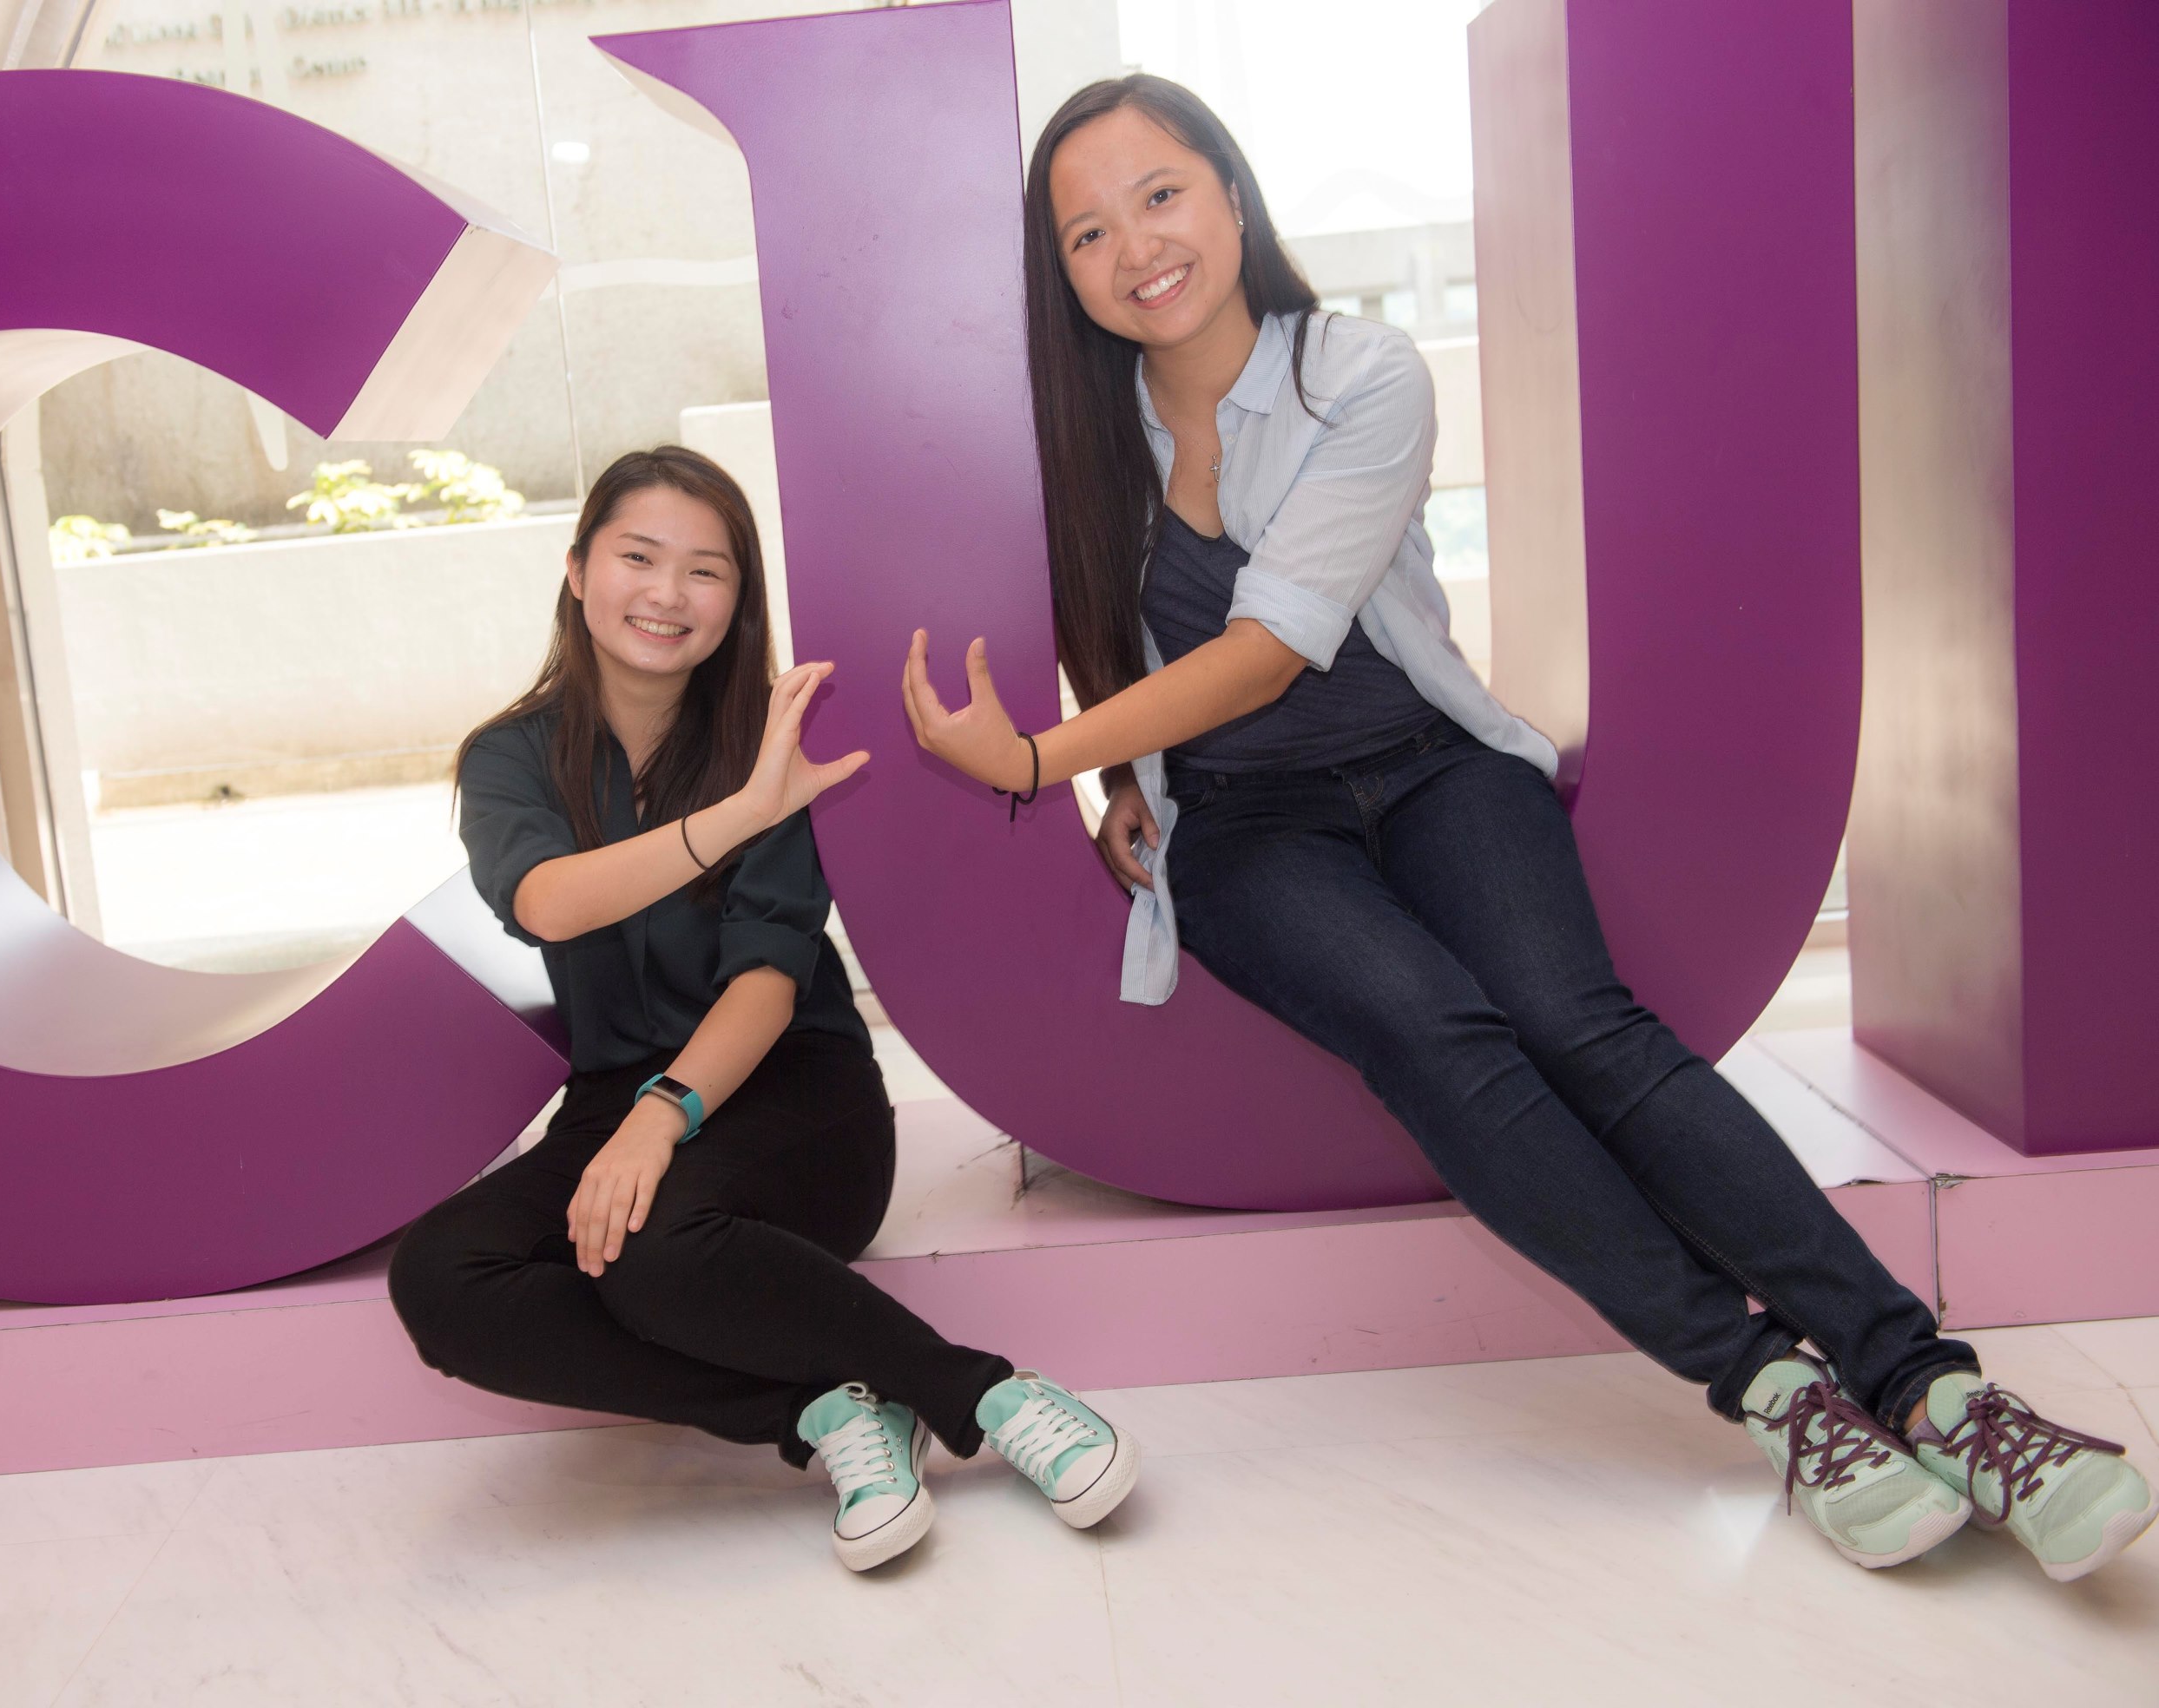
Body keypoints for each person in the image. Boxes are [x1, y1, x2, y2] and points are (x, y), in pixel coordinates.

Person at [898, 76, 2152, 1580]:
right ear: (1064, 276)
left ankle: (1932, 1387)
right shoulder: (1075, 436)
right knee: (1435, 1034)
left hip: (1430, 764)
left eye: (1159, 194)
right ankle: (1771, 1390)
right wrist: (1118, 785)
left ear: (1229, 193)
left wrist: (1040, 756)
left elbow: (1274, 641)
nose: (1135, 248)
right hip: (1242, 826)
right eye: (1087, 232)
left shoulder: (1360, 372)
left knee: (1585, 1028)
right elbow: (1114, 634)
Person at [391, 446, 1139, 1571]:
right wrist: (736, 817)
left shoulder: (775, 741)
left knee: (651, 1250)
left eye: (706, 570)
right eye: (637, 557)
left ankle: (980, 1396)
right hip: (615, 1101)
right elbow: (547, 901)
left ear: (738, 600)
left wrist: (667, 1110)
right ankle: (823, 1412)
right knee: (440, 1281)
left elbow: (767, 978)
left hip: (798, 1097)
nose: (666, 594)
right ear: (576, 568)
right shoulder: (510, 758)